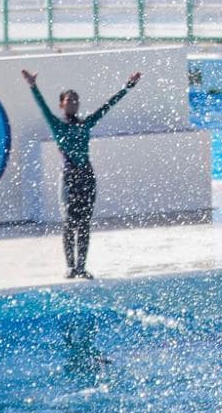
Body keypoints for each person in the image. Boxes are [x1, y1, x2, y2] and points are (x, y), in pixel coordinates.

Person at [23, 68, 141, 278]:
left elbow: (108, 106)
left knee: (84, 223)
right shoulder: (57, 125)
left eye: (75, 100)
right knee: (69, 222)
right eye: (68, 100)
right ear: (61, 104)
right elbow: (42, 107)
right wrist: (33, 86)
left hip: (87, 177)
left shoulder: (86, 123)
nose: (72, 103)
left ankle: (82, 266)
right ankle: (70, 266)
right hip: (69, 178)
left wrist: (127, 87)